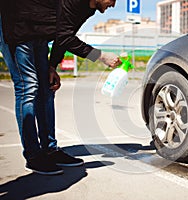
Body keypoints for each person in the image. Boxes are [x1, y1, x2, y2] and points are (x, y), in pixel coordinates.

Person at [0, 0, 121, 175]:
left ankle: (50, 149)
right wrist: (100, 56)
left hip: (38, 36)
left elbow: (63, 35)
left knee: (47, 90)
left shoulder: (88, 8)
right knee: (29, 87)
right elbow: (65, 36)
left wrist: (52, 66)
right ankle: (33, 155)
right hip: (16, 27)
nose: (113, 4)